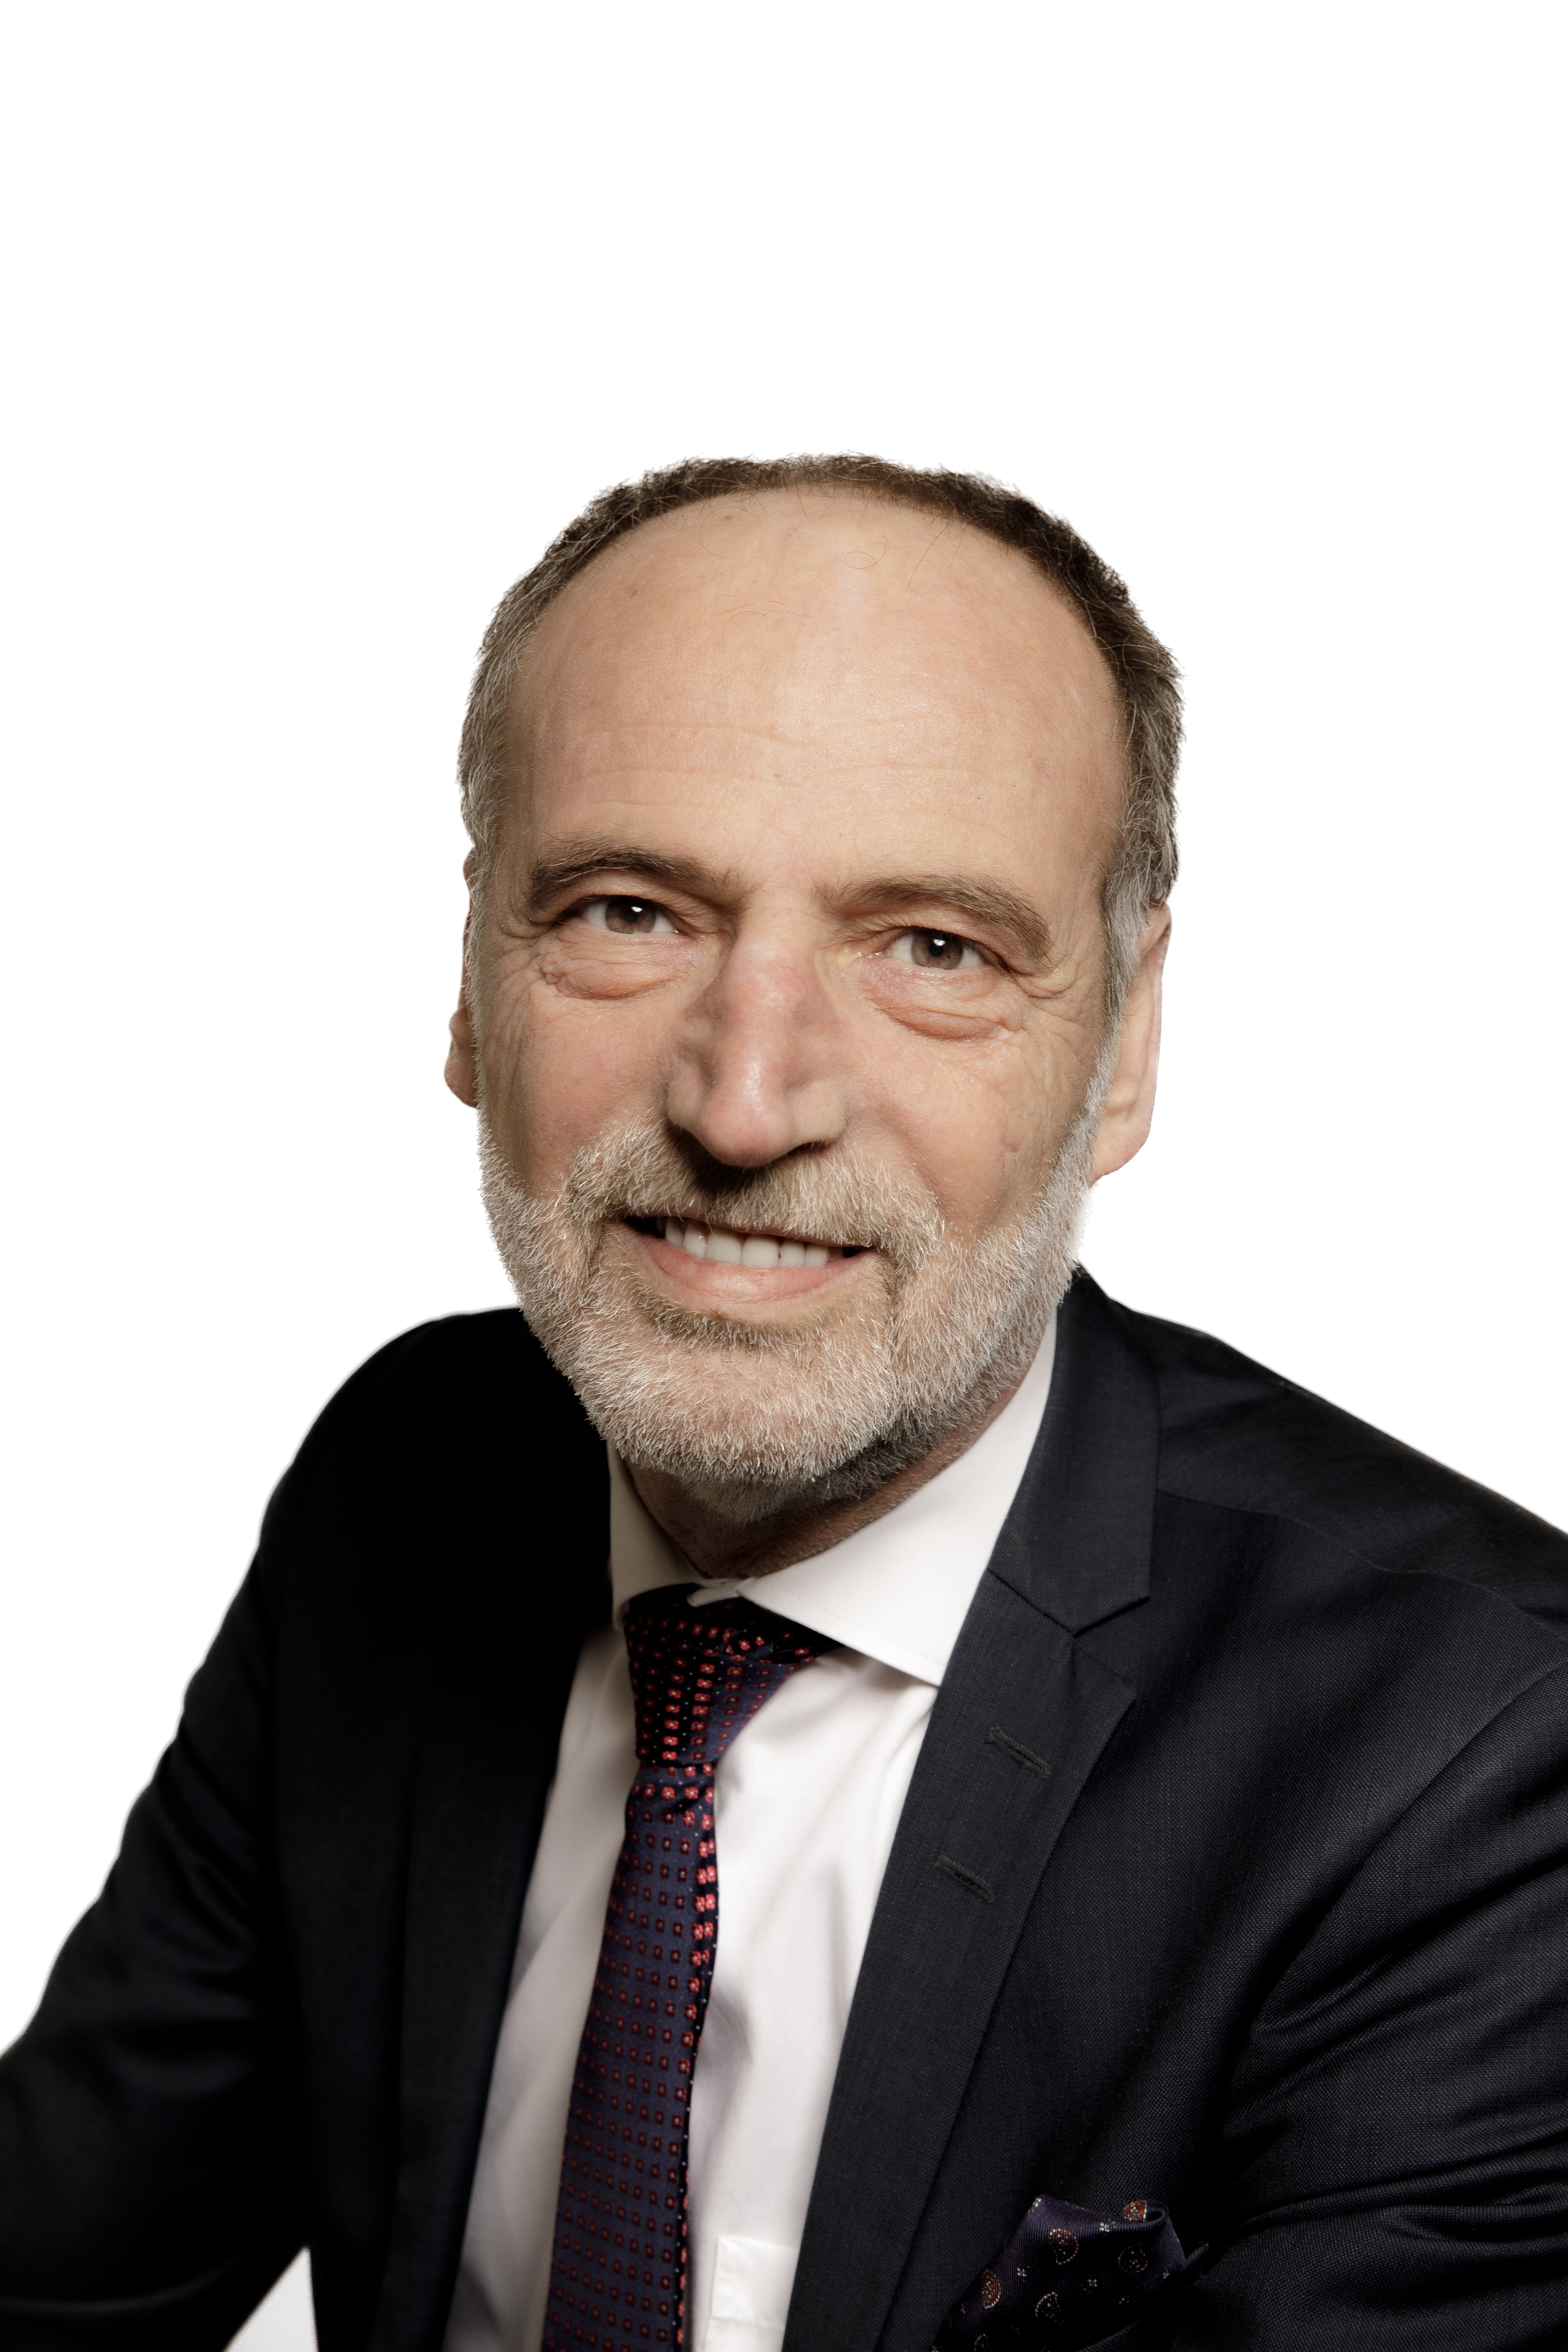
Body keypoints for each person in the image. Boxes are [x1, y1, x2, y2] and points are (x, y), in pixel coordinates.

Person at [2, 455, 1565, 2352]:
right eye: (629, 910)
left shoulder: (1477, 1756)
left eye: (935, 949)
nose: (746, 1106)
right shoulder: (403, 1481)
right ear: (474, 977)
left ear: (1127, 1041)